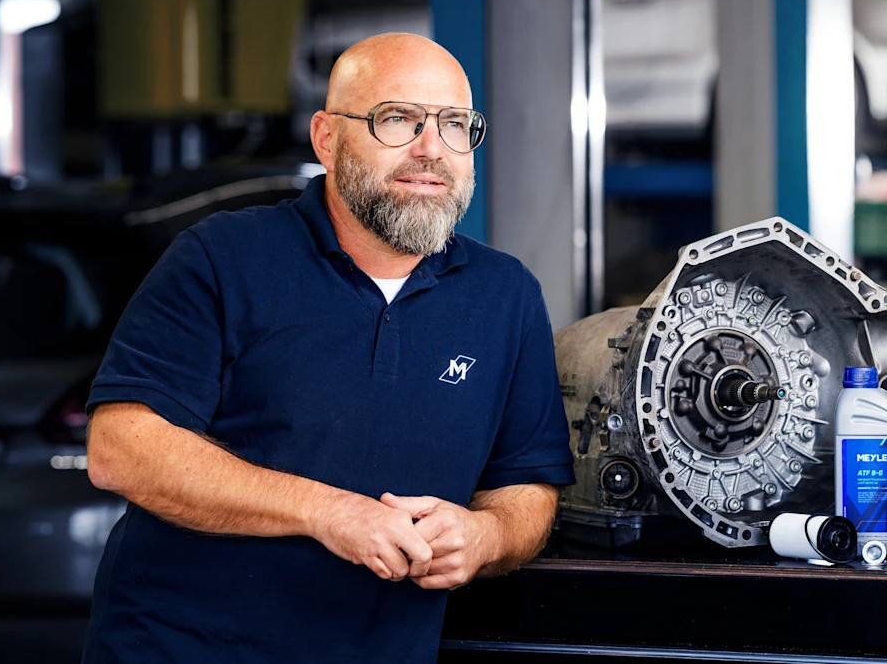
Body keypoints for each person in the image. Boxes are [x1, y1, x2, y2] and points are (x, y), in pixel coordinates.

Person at [81, 32, 575, 663]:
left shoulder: (506, 295)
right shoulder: (222, 258)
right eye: (398, 119)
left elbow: (528, 486)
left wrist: (487, 533)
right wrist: (327, 512)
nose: (432, 149)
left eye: (455, 125)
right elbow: (120, 447)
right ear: (326, 138)